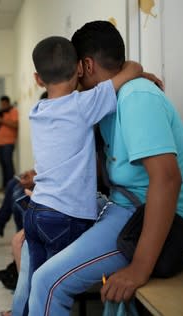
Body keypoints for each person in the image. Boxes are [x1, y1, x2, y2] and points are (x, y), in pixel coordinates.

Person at [14, 21, 183, 316]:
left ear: (85, 66)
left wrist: (139, 268)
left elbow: (167, 180)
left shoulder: (136, 96)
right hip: (122, 205)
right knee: (26, 244)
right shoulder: (106, 101)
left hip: (153, 213)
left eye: (76, 68)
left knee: (47, 282)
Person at [24, 35, 143, 306]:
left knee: (37, 285)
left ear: (37, 79)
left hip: (36, 211)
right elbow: (133, 68)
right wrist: (141, 74)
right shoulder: (83, 105)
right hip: (66, 216)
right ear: (80, 68)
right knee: (54, 288)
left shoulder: (37, 110)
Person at [0, 95, 19, 190]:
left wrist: (2, 120)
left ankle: (11, 188)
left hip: (8, 142)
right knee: (3, 166)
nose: (2, 106)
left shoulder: (13, 111)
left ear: (8, 103)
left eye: (4, 104)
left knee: (8, 166)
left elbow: (15, 125)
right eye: (1, 104)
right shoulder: (0, 113)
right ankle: (4, 186)